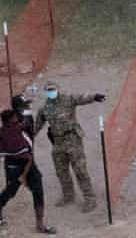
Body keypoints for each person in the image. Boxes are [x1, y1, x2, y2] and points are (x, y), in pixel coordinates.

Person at [34, 81, 106, 212]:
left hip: (73, 140)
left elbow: (82, 98)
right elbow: (36, 126)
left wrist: (95, 96)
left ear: (57, 89)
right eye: (48, 90)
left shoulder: (68, 99)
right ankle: (68, 196)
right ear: (46, 92)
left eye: (53, 89)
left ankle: (90, 199)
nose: (51, 92)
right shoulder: (44, 108)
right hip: (58, 142)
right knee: (61, 171)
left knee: (80, 170)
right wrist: (25, 136)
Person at [0, 109, 56, 235]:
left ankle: (40, 224)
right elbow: (28, 158)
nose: (18, 120)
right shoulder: (12, 135)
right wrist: (23, 176)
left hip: (22, 164)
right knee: (11, 191)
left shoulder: (5, 130)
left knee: (38, 190)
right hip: (17, 166)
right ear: (10, 121)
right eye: (15, 118)